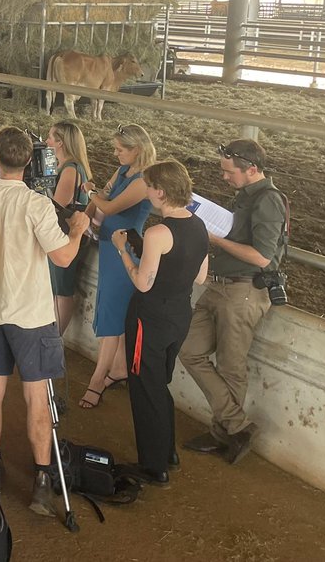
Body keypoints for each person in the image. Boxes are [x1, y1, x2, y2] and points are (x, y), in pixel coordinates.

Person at [0, 126, 89, 515]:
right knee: (36, 395)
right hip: (31, 315)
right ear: (31, 160)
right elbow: (63, 257)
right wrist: (79, 231)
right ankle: (39, 478)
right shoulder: (37, 204)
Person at [179, 138, 285, 464]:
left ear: (252, 169)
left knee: (230, 365)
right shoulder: (247, 195)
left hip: (244, 290)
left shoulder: (268, 201)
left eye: (229, 172)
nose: (225, 178)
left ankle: (224, 433)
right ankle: (236, 426)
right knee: (189, 350)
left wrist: (214, 239)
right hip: (223, 285)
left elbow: (264, 257)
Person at [112, 160, 208, 485]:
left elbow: (142, 283)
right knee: (158, 384)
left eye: (150, 186)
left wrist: (123, 251)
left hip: (148, 318)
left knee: (143, 387)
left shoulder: (157, 232)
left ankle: (153, 466)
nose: (147, 191)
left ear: (161, 192)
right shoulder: (199, 225)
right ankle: (167, 452)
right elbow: (201, 275)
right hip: (180, 314)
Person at [79, 122, 155, 409]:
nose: (115, 154)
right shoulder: (125, 171)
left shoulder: (144, 181)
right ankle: (120, 369)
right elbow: (106, 196)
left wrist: (89, 192)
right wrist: (96, 197)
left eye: (120, 150)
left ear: (137, 150)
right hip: (110, 247)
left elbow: (109, 206)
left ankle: (97, 381)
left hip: (127, 251)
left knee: (110, 314)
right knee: (113, 309)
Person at [45, 121, 93, 337]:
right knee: (57, 288)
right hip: (63, 233)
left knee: (62, 290)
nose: (46, 142)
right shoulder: (67, 166)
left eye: (50, 138)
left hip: (65, 234)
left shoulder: (71, 169)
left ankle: (56, 338)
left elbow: (57, 205)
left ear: (60, 143)